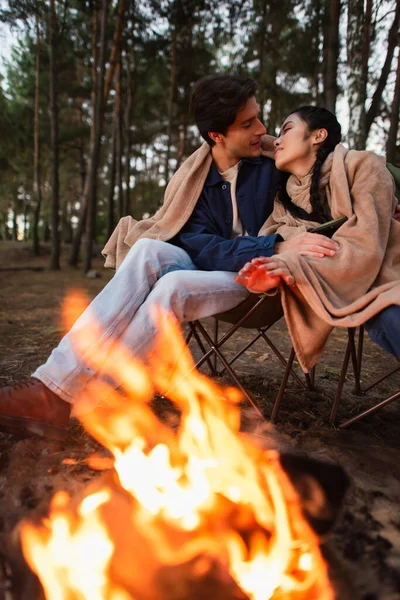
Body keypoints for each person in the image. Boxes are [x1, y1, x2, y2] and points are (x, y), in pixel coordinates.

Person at [0, 76, 340, 440]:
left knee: (173, 285)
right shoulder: (193, 178)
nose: (262, 129)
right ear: (216, 135)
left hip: (260, 280)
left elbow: (331, 169)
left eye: (259, 118)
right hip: (224, 265)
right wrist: (269, 244)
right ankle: (55, 389)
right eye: (247, 124)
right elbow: (199, 247)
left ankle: (76, 395)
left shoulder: (271, 163)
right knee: (148, 249)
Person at [236, 106, 400, 369]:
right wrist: (290, 244)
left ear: (318, 135)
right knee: (383, 317)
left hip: (389, 274)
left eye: (287, 130)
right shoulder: (285, 199)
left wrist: (295, 261)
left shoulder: (361, 165)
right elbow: (270, 235)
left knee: (390, 316)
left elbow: (366, 244)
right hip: (354, 290)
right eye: (276, 136)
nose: (277, 141)